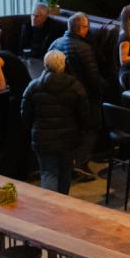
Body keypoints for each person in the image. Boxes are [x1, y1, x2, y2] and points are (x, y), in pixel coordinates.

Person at [20, 49, 93, 194]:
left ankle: (49, 208)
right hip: (69, 139)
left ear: (45, 65)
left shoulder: (34, 87)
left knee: (48, 173)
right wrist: (81, 132)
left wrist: (35, 128)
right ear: (63, 65)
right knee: (65, 172)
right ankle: (62, 205)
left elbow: (25, 114)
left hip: (43, 139)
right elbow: (85, 115)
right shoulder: (75, 86)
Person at [48, 11, 104, 177]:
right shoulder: (84, 48)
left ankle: (68, 164)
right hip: (82, 96)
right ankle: (80, 162)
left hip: (58, 96)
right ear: (80, 29)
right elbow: (93, 77)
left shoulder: (55, 43)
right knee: (92, 127)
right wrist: (100, 93)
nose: (88, 30)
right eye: (87, 27)